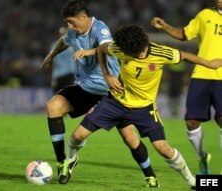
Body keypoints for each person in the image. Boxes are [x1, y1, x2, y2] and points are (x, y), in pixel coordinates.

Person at [60, 24, 222, 189]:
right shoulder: (120, 47)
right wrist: (107, 75)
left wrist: (209, 64)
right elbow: (101, 50)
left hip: (145, 108)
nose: (125, 55)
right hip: (115, 102)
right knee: (77, 136)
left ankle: (192, 181)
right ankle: (70, 160)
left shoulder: (161, 53)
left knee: (162, 148)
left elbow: (185, 56)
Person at [41, 0, 158, 187]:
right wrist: (51, 56)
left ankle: (150, 175)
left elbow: (107, 48)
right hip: (85, 88)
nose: (69, 27)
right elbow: (63, 41)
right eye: (67, 23)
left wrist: (89, 51)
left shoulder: (99, 28)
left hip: (110, 91)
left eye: (72, 22)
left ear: (83, 17)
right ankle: (63, 162)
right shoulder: (73, 32)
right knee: (53, 106)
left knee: (129, 137)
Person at [151, 0, 222, 175]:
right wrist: (165, 26)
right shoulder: (205, 15)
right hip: (202, 75)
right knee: (191, 122)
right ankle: (202, 157)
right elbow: (184, 34)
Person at [50, 26, 76, 94]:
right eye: (61, 33)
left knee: (68, 95)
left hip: (69, 74)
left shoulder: (72, 45)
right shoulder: (54, 45)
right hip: (59, 74)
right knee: (57, 95)